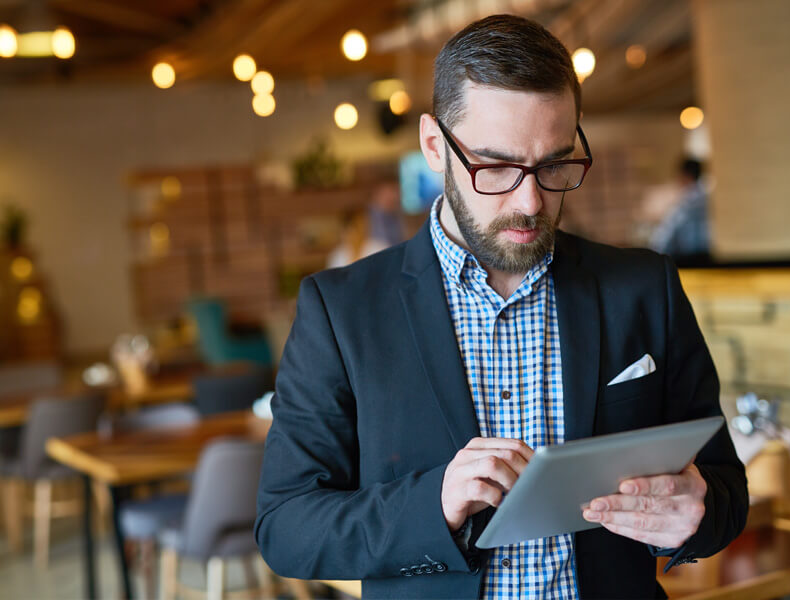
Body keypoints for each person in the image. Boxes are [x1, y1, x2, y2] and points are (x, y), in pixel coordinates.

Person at [255, 15, 747, 600]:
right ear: (435, 146)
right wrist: (434, 503)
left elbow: (723, 490)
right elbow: (286, 527)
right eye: (496, 167)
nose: (530, 200)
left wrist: (697, 516)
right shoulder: (340, 312)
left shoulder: (644, 286)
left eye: (554, 164)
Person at [649, 158, 711, 263]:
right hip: (708, 258)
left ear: (685, 176)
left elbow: (663, 239)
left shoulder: (685, 205)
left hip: (688, 261)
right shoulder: (709, 200)